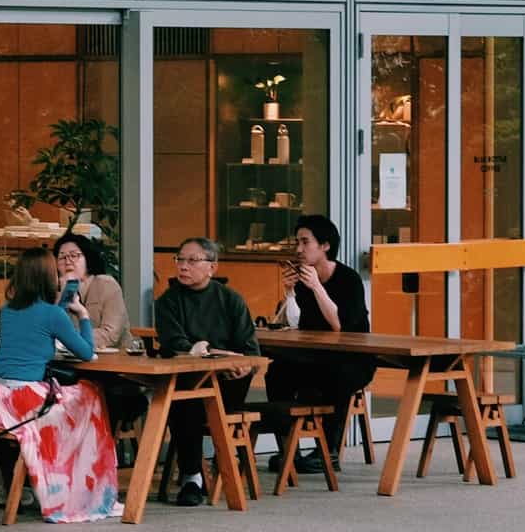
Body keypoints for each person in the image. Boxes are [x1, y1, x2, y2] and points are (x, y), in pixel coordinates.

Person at [0, 248, 115, 523]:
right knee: (91, 395)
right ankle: (84, 488)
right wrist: (83, 315)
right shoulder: (52, 314)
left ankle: (38, 485)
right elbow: (87, 353)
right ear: (48, 278)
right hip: (25, 400)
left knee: (70, 402)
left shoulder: (7, 311)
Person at [152, 236, 259, 507]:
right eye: (180, 260)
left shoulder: (231, 300)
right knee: (182, 402)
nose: (183, 267)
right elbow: (175, 345)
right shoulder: (168, 302)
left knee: (191, 400)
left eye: (192, 260)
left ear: (212, 267)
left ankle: (203, 471)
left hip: (227, 383)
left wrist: (244, 366)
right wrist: (213, 354)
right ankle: (192, 477)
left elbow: (251, 349)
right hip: (187, 380)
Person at [269, 215, 375, 470]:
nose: (299, 249)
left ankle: (329, 452)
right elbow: (293, 324)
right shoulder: (304, 281)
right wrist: (290, 293)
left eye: (305, 242)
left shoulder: (348, 280)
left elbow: (340, 326)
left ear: (325, 245)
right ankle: (287, 448)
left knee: (335, 375)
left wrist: (317, 287)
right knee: (276, 372)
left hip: (353, 359)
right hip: (315, 355)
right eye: (298, 242)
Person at [52, 232, 132, 352]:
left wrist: (69, 340)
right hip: (69, 361)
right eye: (62, 257)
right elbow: (50, 329)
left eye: (74, 256)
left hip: (112, 362)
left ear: (88, 259)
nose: (67, 261)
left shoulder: (106, 285)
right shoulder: (56, 290)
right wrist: (62, 296)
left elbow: (110, 335)